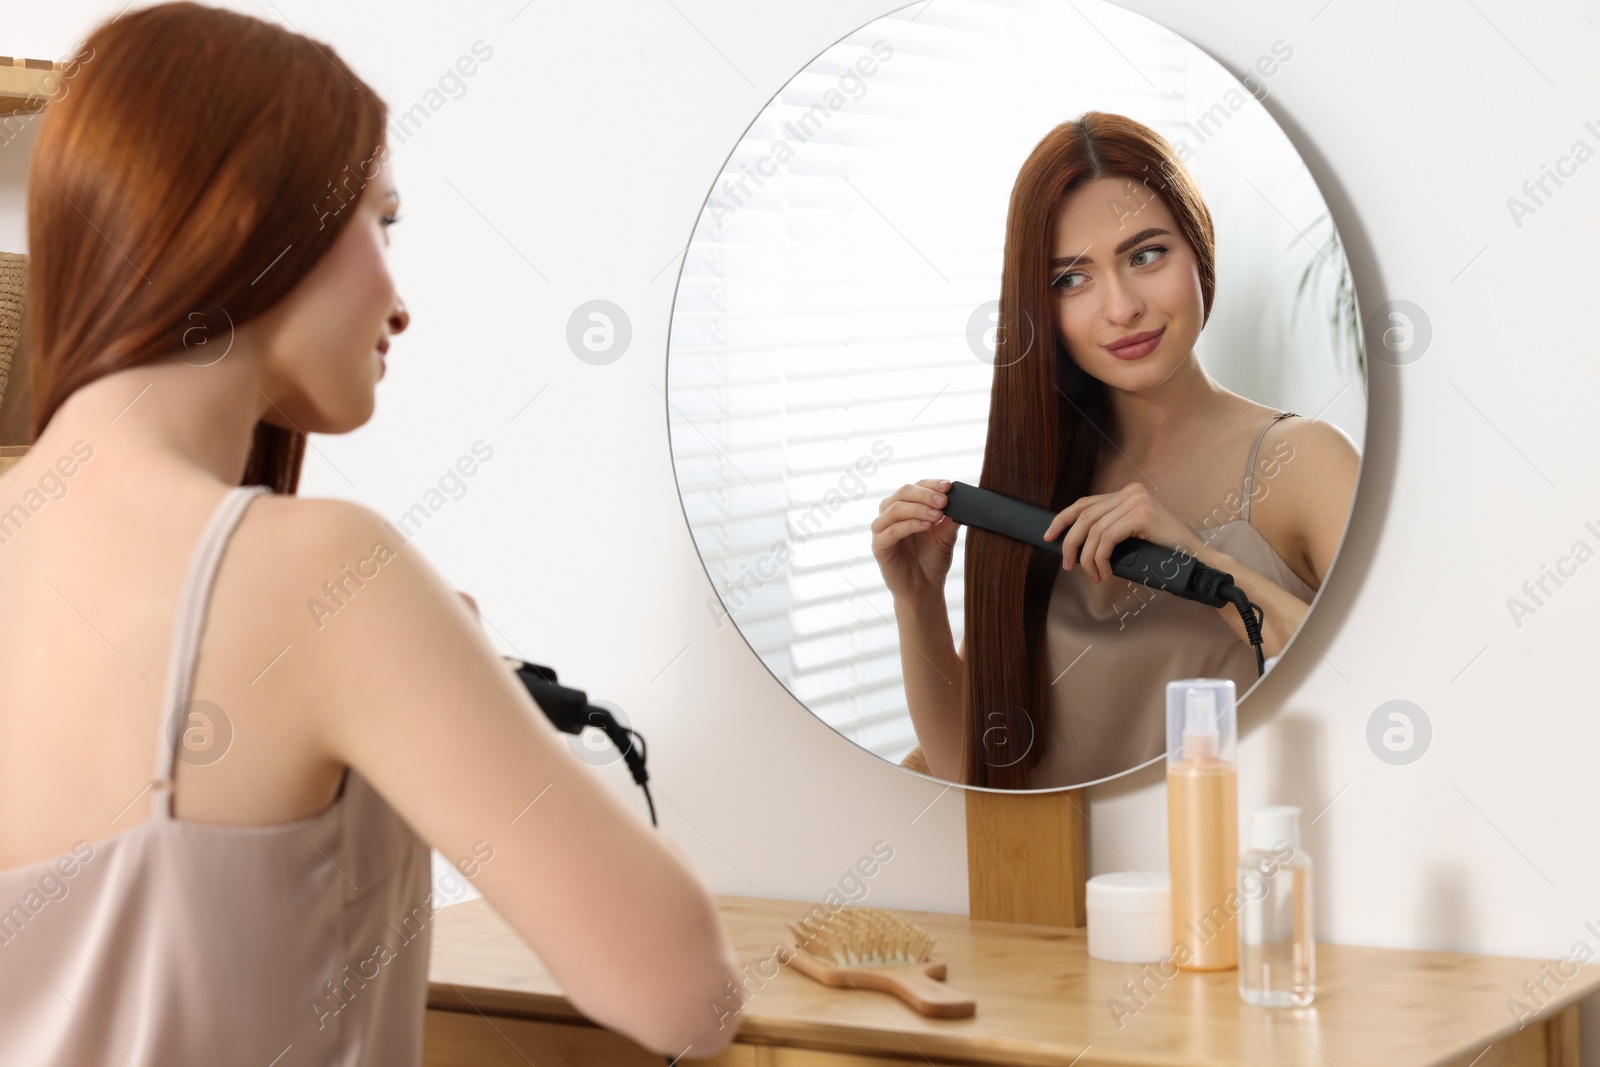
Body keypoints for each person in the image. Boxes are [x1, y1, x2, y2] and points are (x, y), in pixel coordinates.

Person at [0, 4, 740, 1063]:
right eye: (381, 222)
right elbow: (688, 998)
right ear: (254, 215)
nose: (399, 302)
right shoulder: (323, 578)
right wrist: (457, 682)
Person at [874, 112, 1359, 789]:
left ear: (1200, 248)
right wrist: (919, 603)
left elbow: (1381, 693)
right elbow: (976, 780)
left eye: (1146, 255)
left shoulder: (1305, 464)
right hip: (1047, 889)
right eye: (1072, 279)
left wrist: (1205, 568)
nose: (1122, 307)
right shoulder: (1030, 486)